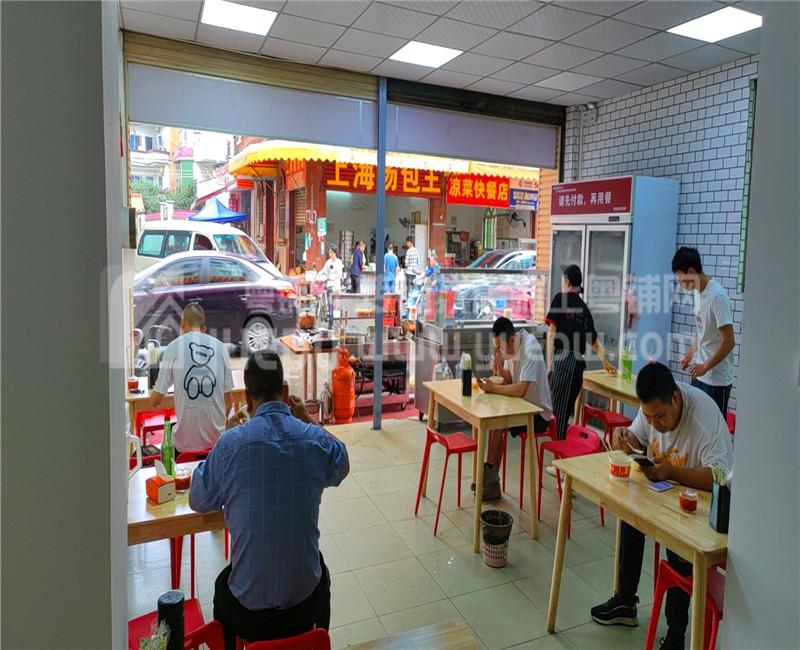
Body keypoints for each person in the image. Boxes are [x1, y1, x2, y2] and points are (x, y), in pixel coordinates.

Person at [190, 350, 349, 650]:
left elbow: (198, 499)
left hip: (250, 615)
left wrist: (224, 438)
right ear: (285, 392)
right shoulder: (312, 439)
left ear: (247, 398)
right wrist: (307, 418)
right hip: (304, 608)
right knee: (321, 572)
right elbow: (343, 462)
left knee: (222, 586)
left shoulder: (230, 445)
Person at [590, 362, 733, 650]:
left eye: (659, 417)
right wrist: (626, 439)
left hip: (702, 505)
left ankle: (676, 635)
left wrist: (673, 472)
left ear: (675, 398)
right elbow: (637, 435)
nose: (654, 424)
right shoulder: (653, 409)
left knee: (678, 544)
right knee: (631, 512)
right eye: (648, 417)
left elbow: (721, 478)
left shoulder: (704, 418)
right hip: (667, 489)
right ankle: (626, 601)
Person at [476, 318, 553, 500]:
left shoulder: (530, 347)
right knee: (495, 419)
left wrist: (494, 388)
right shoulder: (510, 351)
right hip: (521, 407)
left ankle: (489, 477)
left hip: (537, 413)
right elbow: (511, 380)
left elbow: (521, 389)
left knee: (497, 422)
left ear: (511, 340)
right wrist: (501, 373)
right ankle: (491, 480)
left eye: (499, 348)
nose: (498, 352)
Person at [545, 264, 616, 442]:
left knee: (558, 416)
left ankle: (560, 454)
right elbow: (595, 342)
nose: (562, 284)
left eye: (563, 280)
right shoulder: (584, 310)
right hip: (578, 365)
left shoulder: (560, 299)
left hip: (563, 360)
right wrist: (605, 362)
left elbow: (551, 332)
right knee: (564, 412)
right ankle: (562, 451)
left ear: (568, 282)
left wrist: (549, 364)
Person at [152, 303, 234, 453]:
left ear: (182, 324)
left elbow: (156, 400)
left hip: (184, 447)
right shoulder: (221, 348)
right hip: (216, 445)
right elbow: (229, 401)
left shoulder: (173, 348)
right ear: (204, 328)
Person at [672, 246, 735, 415]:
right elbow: (701, 330)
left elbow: (729, 341)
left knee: (713, 426)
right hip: (699, 374)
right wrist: (690, 354)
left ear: (691, 272)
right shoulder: (697, 292)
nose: (680, 283)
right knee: (695, 422)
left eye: (680, 278)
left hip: (716, 380)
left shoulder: (717, 296)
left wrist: (705, 367)